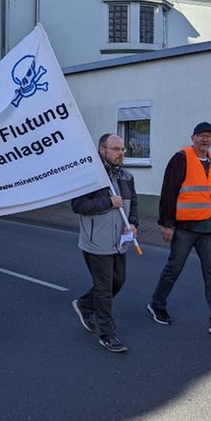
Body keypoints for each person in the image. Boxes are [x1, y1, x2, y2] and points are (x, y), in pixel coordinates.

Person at [147, 122, 211, 339]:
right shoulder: (181, 158)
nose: (205, 139)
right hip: (185, 227)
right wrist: (167, 224)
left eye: (209, 136)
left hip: (209, 228)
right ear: (193, 138)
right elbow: (169, 191)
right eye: (201, 135)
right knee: (174, 268)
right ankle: (157, 304)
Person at [70, 133, 138, 353]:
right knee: (104, 288)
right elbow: (79, 205)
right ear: (102, 150)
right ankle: (108, 335)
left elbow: (133, 205)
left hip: (120, 241)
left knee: (118, 282)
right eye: (116, 149)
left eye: (123, 150)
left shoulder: (127, 176)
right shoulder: (90, 176)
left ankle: (84, 305)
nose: (121, 153)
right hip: (96, 242)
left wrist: (134, 224)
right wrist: (108, 202)